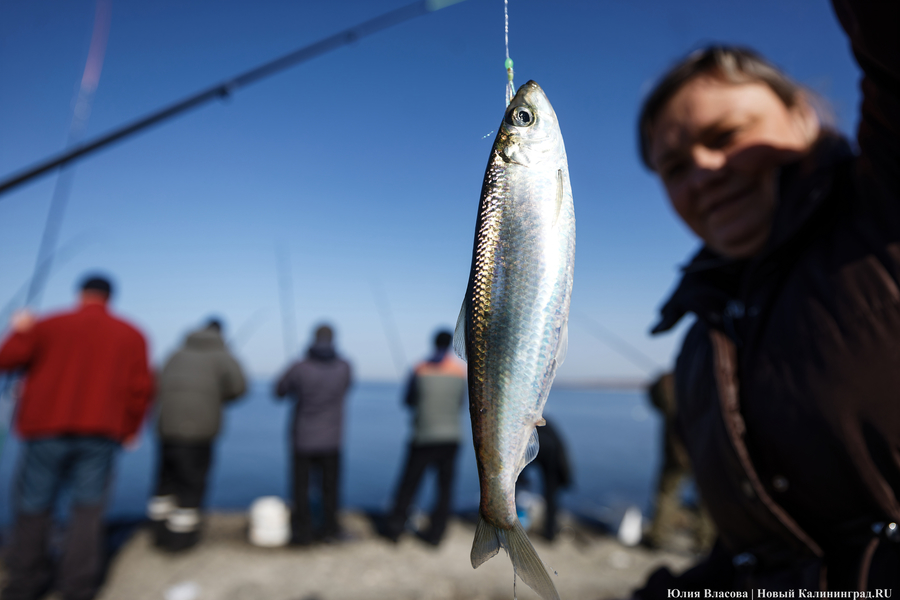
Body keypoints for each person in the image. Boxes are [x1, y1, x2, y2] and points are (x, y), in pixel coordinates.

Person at [633, 0, 899, 593]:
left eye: (726, 135)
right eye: (673, 166)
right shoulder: (702, 344)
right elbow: (762, 559)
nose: (702, 171)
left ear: (803, 116)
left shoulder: (885, 207)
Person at [0, 275, 153, 600]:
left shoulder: (47, 325)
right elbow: (141, 389)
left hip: (44, 430)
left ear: (80, 293)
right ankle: (78, 586)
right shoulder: (132, 334)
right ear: (110, 296)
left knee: (33, 503)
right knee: (87, 508)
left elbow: (6, 359)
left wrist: (20, 329)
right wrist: (130, 429)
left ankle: (26, 582)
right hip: (100, 432)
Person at [147, 318, 246, 551]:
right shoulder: (223, 355)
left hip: (166, 428)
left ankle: (158, 533)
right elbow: (239, 388)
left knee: (165, 482)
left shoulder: (175, 354)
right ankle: (181, 540)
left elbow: (156, 384)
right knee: (191, 483)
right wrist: (218, 397)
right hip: (200, 430)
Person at [384, 329, 466, 545]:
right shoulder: (459, 373)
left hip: (423, 437)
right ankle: (436, 534)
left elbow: (408, 401)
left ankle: (395, 529)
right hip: (451, 438)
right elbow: (459, 404)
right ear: (449, 345)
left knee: (408, 484)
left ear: (433, 342)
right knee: (444, 488)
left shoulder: (418, 369)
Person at [275, 324, 352, 545]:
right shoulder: (345, 367)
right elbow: (345, 387)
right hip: (332, 439)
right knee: (330, 487)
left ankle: (302, 532)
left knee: (301, 487)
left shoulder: (299, 367)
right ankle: (330, 529)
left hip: (303, 439)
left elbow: (279, 391)